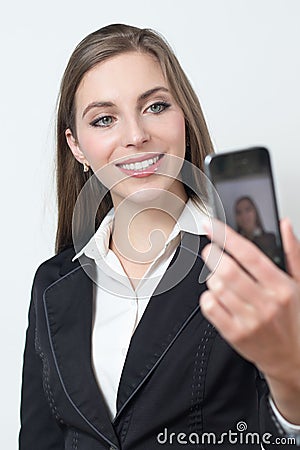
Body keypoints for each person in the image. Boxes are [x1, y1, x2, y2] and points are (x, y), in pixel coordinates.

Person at [19, 24, 300, 449]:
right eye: (105, 119)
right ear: (77, 147)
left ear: (183, 116)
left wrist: (289, 370)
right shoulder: (53, 283)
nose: (136, 136)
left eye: (155, 107)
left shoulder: (252, 265)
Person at [234, 196, 281, 264]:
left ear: (255, 212)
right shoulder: (234, 243)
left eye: (248, 210)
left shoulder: (270, 238)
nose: (244, 216)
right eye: (239, 212)